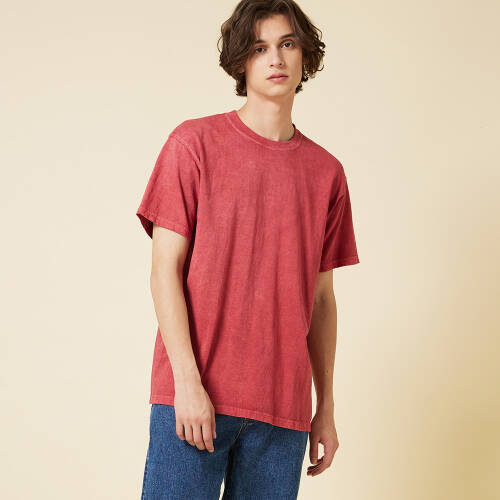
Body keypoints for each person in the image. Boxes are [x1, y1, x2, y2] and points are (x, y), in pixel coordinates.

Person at [136, 1, 360, 498]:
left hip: (283, 416)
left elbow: (322, 299)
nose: (275, 58)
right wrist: (187, 384)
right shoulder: (193, 144)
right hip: (194, 400)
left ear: (305, 55)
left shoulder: (327, 174)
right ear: (241, 62)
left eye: (287, 44)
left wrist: (324, 406)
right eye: (259, 48)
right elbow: (164, 271)